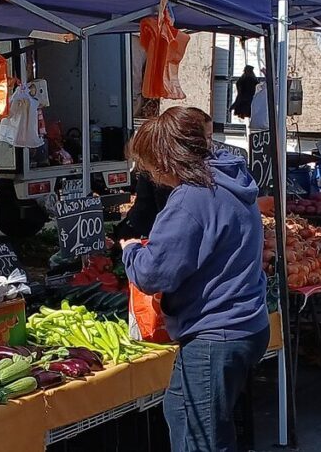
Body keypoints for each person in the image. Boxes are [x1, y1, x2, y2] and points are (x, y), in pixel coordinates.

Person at [120, 107, 268, 452]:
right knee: (187, 415)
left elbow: (153, 273)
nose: (152, 175)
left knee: (200, 437)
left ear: (167, 158)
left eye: (150, 165)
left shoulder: (191, 198)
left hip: (216, 332)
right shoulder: (229, 178)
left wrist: (130, 250)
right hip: (246, 323)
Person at [115, 109, 213, 241]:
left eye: (209, 137)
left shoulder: (185, 199)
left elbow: (168, 254)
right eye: (207, 137)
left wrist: (130, 249)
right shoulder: (214, 178)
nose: (208, 143)